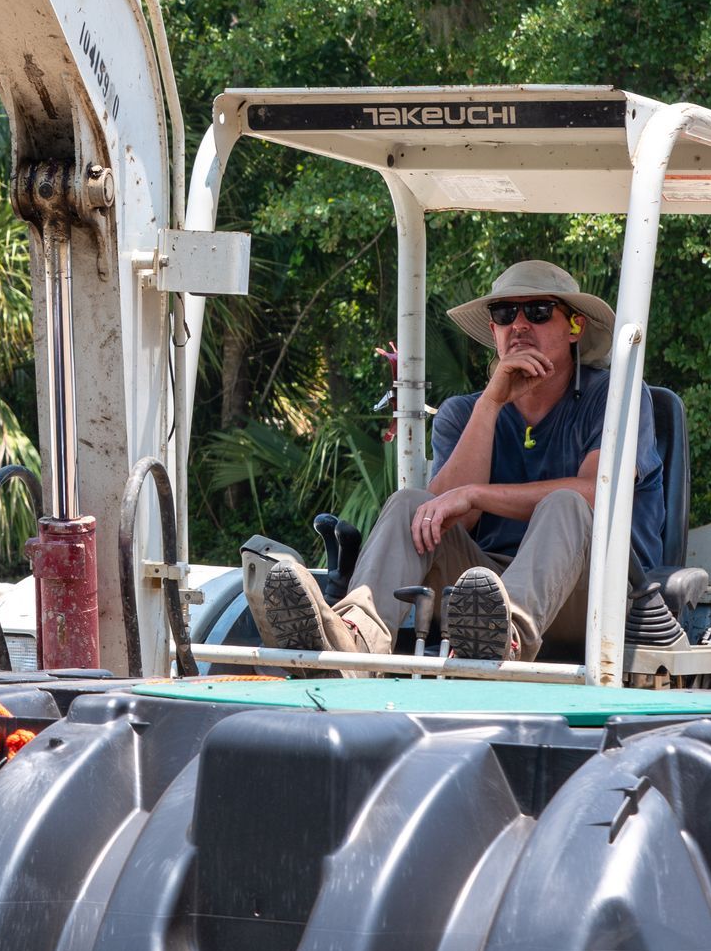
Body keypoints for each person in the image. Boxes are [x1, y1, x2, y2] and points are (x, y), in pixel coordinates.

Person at [250, 258, 678, 663]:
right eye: (506, 314)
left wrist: (475, 494)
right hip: (477, 595)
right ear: (493, 330)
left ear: (574, 326)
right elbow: (439, 521)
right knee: (410, 504)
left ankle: (503, 639)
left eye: (539, 310)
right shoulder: (465, 411)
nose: (521, 324)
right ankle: (354, 640)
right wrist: (491, 405)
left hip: (600, 594)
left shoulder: (617, 396)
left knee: (566, 501)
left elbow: (593, 493)